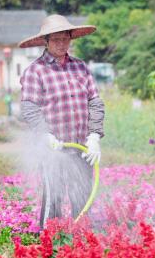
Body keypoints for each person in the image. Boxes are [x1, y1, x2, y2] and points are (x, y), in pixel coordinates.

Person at [18, 14, 105, 229]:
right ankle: (48, 246)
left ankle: (82, 245)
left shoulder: (80, 67)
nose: (61, 44)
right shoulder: (35, 71)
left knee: (83, 199)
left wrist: (94, 135)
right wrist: (45, 134)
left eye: (65, 39)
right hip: (52, 150)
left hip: (81, 147)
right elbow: (30, 109)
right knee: (53, 200)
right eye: (56, 40)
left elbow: (95, 101)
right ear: (45, 41)